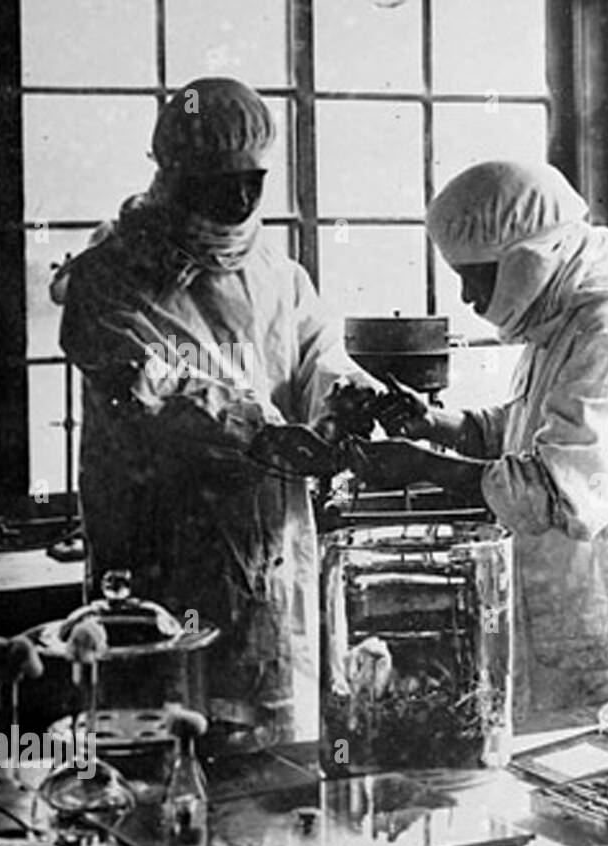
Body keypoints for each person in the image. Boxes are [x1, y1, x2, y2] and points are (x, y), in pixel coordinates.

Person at [352, 160, 608, 730]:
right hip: (589, 613)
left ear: (524, 261)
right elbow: (529, 429)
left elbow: (560, 488)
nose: (467, 297)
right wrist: (437, 423)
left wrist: (422, 466)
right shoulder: (564, 316)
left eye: (474, 277)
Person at [56, 77, 383, 746]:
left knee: (275, 761)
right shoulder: (109, 280)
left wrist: (343, 396)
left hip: (275, 553)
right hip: (160, 560)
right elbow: (160, 391)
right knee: (167, 752)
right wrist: (264, 435)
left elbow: (319, 355)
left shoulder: (277, 276)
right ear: (173, 174)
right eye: (218, 182)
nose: (238, 199)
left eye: (253, 181)